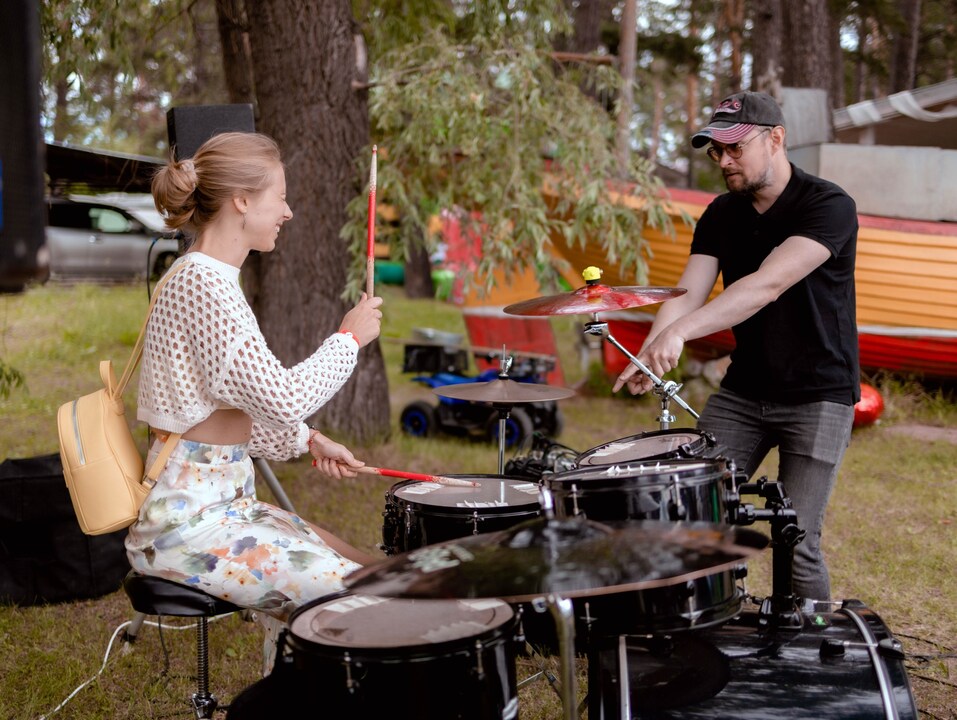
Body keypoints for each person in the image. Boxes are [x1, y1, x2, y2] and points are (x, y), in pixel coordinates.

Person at [126, 132, 384, 632]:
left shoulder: (210, 279)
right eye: (281, 197)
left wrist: (309, 439)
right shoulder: (201, 284)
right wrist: (348, 339)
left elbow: (213, 415)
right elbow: (282, 398)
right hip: (188, 528)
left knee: (374, 570)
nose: (288, 212)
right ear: (242, 201)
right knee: (361, 600)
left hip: (224, 508)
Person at [613, 91, 860, 602]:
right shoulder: (722, 213)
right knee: (694, 512)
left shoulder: (828, 206)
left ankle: (808, 649)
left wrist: (681, 334)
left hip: (819, 394)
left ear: (775, 139)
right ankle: (705, 629)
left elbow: (764, 286)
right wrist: (654, 348)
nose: (723, 161)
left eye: (734, 148)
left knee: (797, 537)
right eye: (714, 151)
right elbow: (687, 293)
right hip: (744, 391)